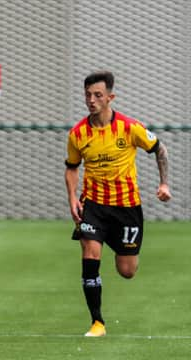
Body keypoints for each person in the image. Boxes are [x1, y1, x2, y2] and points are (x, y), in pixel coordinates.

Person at [64, 71, 171, 337]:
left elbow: (160, 149)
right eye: (88, 95)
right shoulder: (78, 133)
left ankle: (112, 242)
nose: (91, 100)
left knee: (127, 271)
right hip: (94, 207)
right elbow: (72, 167)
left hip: (126, 208)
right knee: (90, 254)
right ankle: (97, 322)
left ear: (110, 97)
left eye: (98, 95)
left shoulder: (129, 127)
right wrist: (72, 197)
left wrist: (164, 183)